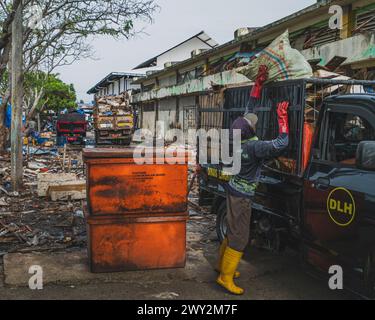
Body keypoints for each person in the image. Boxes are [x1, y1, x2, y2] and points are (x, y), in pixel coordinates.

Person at [216, 101, 290, 295]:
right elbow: (282, 143)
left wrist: (257, 87)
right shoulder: (255, 147)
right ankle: (225, 278)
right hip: (242, 197)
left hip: (233, 189)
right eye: (252, 124)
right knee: (240, 237)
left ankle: (222, 266)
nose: (254, 123)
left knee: (232, 230)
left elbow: (248, 113)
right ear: (250, 131)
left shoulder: (238, 141)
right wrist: (283, 118)